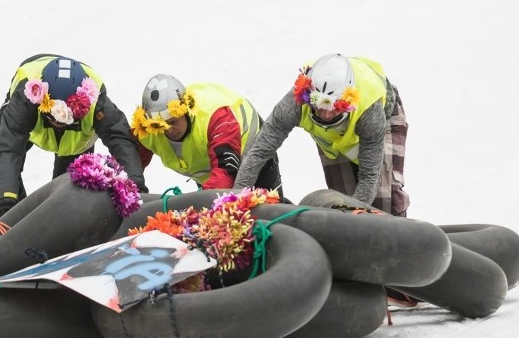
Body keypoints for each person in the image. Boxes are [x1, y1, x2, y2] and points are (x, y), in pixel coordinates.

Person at [234, 54, 410, 217]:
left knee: (383, 199)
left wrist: (357, 221)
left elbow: (370, 175)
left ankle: (401, 244)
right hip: (333, 139)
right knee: (340, 201)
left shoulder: (368, 110)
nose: (325, 114)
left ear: (346, 101)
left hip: (382, 120)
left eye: (332, 107)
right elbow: (259, 152)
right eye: (319, 106)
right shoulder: (294, 103)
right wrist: (235, 199)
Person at [0, 54, 148, 221]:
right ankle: (5, 220)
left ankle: (61, 231)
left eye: (66, 117)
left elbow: (121, 140)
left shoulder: (97, 101)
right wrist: (6, 202)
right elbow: (8, 150)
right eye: (54, 116)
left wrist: (136, 183)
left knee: (70, 191)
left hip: (75, 142)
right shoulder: (27, 97)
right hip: (30, 116)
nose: (59, 121)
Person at [131, 74, 284, 194]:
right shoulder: (147, 129)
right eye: (159, 126)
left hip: (253, 155)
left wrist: (202, 210)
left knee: (265, 209)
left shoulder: (216, 118)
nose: (167, 130)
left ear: (186, 112)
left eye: (172, 122)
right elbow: (128, 166)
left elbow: (225, 173)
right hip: (210, 169)